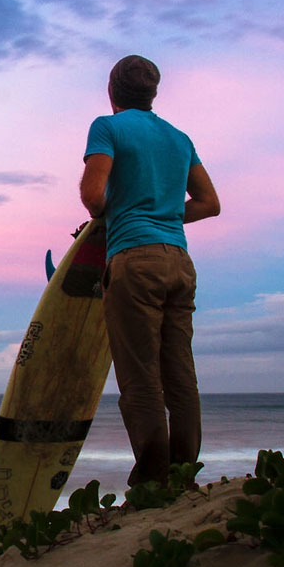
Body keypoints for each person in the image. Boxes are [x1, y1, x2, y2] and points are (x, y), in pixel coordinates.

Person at [78, 54, 221, 488]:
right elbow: (209, 204)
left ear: (112, 91)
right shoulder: (180, 138)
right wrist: (164, 213)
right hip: (179, 261)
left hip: (134, 260)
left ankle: (152, 480)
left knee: (139, 376)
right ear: (153, 93)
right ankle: (184, 474)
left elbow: (92, 194)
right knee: (179, 373)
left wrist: (115, 213)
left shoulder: (108, 127)